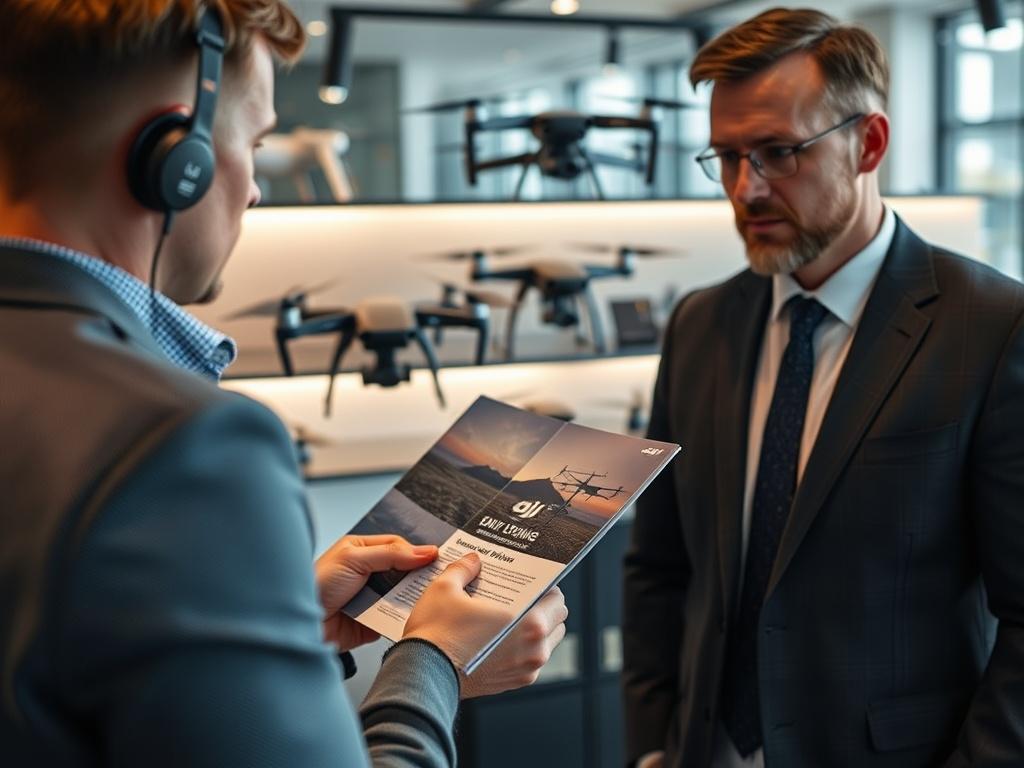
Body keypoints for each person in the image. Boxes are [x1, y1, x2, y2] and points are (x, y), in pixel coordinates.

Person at [0, 1, 567, 765]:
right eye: (256, 144)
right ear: (176, 157)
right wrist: (433, 662)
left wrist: (284, 618)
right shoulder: (185, 446)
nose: (257, 189)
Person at [622, 8, 1024, 768]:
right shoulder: (700, 324)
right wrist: (653, 746)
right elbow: (661, 568)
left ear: (868, 143)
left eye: (778, 153)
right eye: (727, 158)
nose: (747, 189)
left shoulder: (992, 325)